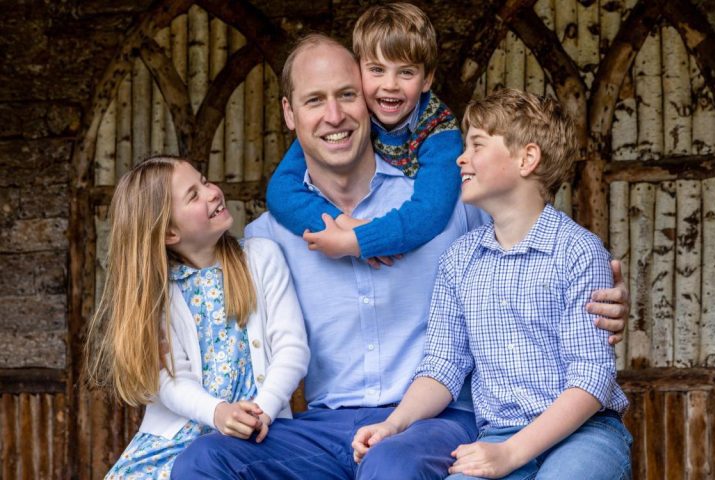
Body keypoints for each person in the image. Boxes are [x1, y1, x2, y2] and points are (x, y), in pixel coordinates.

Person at [172, 36, 628, 480]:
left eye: (347, 95)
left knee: (392, 464)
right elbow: (194, 289)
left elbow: (529, 236)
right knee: (205, 461)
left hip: (437, 420)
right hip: (326, 428)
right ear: (290, 114)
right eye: (314, 101)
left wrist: (604, 295)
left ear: (368, 103)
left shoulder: (445, 205)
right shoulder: (268, 238)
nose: (334, 116)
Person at [352, 89, 632, 479]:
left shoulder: (578, 252)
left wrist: (511, 455)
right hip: (498, 433)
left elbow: (592, 376)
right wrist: (393, 425)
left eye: (477, 145)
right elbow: (443, 365)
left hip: (584, 434)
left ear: (526, 158)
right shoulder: (460, 260)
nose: (461, 158)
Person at [84, 156, 309, 478]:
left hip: (259, 431)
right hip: (176, 441)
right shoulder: (157, 295)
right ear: (169, 233)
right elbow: (171, 378)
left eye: (204, 181)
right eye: (194, 195)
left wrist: (264, 411)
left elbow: (292, 348)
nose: (212, 192)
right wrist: (217, 413)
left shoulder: (261, 258)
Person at [266, 2, 462, 262]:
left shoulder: (440, 131)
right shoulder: (356, 114)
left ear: (426, 80)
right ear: (358, 71)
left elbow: (431, 212)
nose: (389, 85)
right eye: (377, 70)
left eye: (406, 72)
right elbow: (280, 191)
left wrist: (361, 240)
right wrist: (341, 224)